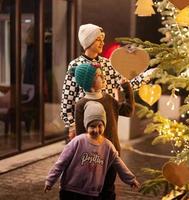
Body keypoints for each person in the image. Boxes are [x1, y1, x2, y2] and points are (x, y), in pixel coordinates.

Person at [60, 23, 150, 141]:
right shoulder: (76, 65)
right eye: (98, 39)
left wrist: (147, 76)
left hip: (107, 122)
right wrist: (72, 124)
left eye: (102, 39)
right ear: (88, 42)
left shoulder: (107, 64)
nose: (102, 42)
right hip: (85, 124)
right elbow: (67, 98)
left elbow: (125, 84)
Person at [44, 101, 140, 200]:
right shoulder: (77, 141)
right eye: (92, 126)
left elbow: (119, 164)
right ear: (86, 126)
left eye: (100, 126)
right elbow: (61, 163)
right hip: (70, 190)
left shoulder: (108, 146)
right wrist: (50, 181)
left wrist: (130, 179)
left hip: (92, 193)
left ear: (104, 125)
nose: (96, 130)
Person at [73, 62, 134, 199]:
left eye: (102, 74)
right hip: (92, 158)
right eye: (99, 75)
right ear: (89, 82)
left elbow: (128, 111)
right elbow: (81, 136)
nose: (103, 77)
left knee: (108, 191)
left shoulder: (109, 100)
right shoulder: (81, 105)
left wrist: (127, 89)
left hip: (112, 155)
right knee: (91, 191)